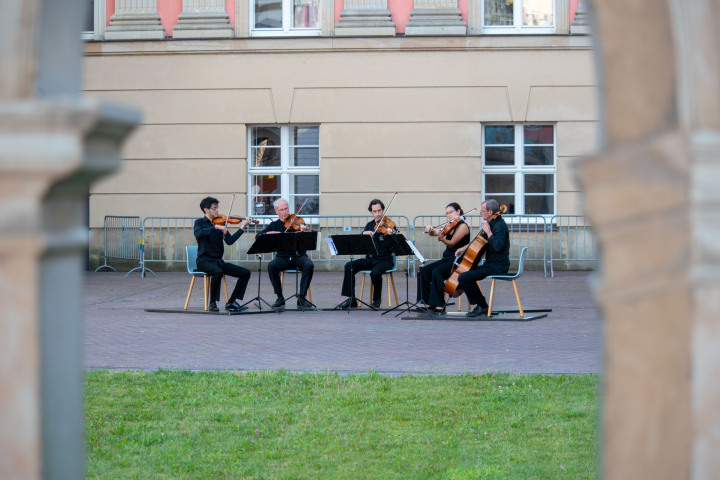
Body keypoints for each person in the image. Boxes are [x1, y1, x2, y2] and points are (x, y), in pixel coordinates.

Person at [193, 197, 253, 312]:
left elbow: (229, 241)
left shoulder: (221, 222)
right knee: (217, 272)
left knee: (245, 273)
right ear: (206, 210)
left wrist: (242, 227)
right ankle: (212, 303)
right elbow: (198, 234)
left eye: (217, 208)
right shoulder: (199, 223)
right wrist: (215, 227)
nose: (217, 211)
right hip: (204, 261)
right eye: (214, 208)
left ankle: (231, 302)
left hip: (218, 261)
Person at [455, 199, 510, 317]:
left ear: (490, 212)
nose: (480, 213)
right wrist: (464, 248)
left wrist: (489, 232)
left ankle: (482, 306)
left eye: (482, 210)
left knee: (464, 277)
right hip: (490, 264)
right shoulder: (491, 222)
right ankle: (482, 305)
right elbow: (478, 241)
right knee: (465, 275)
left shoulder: (499, 226)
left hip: (498, 266)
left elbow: (498, 246)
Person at [256, 198, 314, 309]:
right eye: (282, 210)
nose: (285, 212)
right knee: (272, 265)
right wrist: (273, 233)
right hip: (283, 257)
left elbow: (307, 238)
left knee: (309, 264)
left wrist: (303, 230)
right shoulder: (274, 225)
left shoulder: (298, 222)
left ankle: (302, 297)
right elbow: (259, 236)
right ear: (276, 211)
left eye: (286, 209)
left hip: (299, 256)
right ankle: (279, 297)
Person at [339, 199, 396, 309]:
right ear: (371, 212)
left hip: (385, 260)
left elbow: (395, 245)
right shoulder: (369, 225)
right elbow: (361, 245)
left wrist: (391, 235)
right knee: (349, 266)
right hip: (370, 259)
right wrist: (363, 234)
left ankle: (376, 300)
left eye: (379, 211)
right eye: (375, 211)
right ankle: (351, 299)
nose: (378, 214)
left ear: (383, 210)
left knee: (375, 273)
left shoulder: (389, 225)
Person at [415, 202, 470, 314]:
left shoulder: (463, 226)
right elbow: (434, 233)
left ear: (458, 211)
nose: (449, 215)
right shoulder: (450, 225)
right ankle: (428, 303)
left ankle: (439, 304)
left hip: (457, 261)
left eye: (451, 212)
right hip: (447, 259)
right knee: (424, 271)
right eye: (447, 213)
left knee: (437, 272)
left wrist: (442, 238)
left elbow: (452, 243)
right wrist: (429, 230)